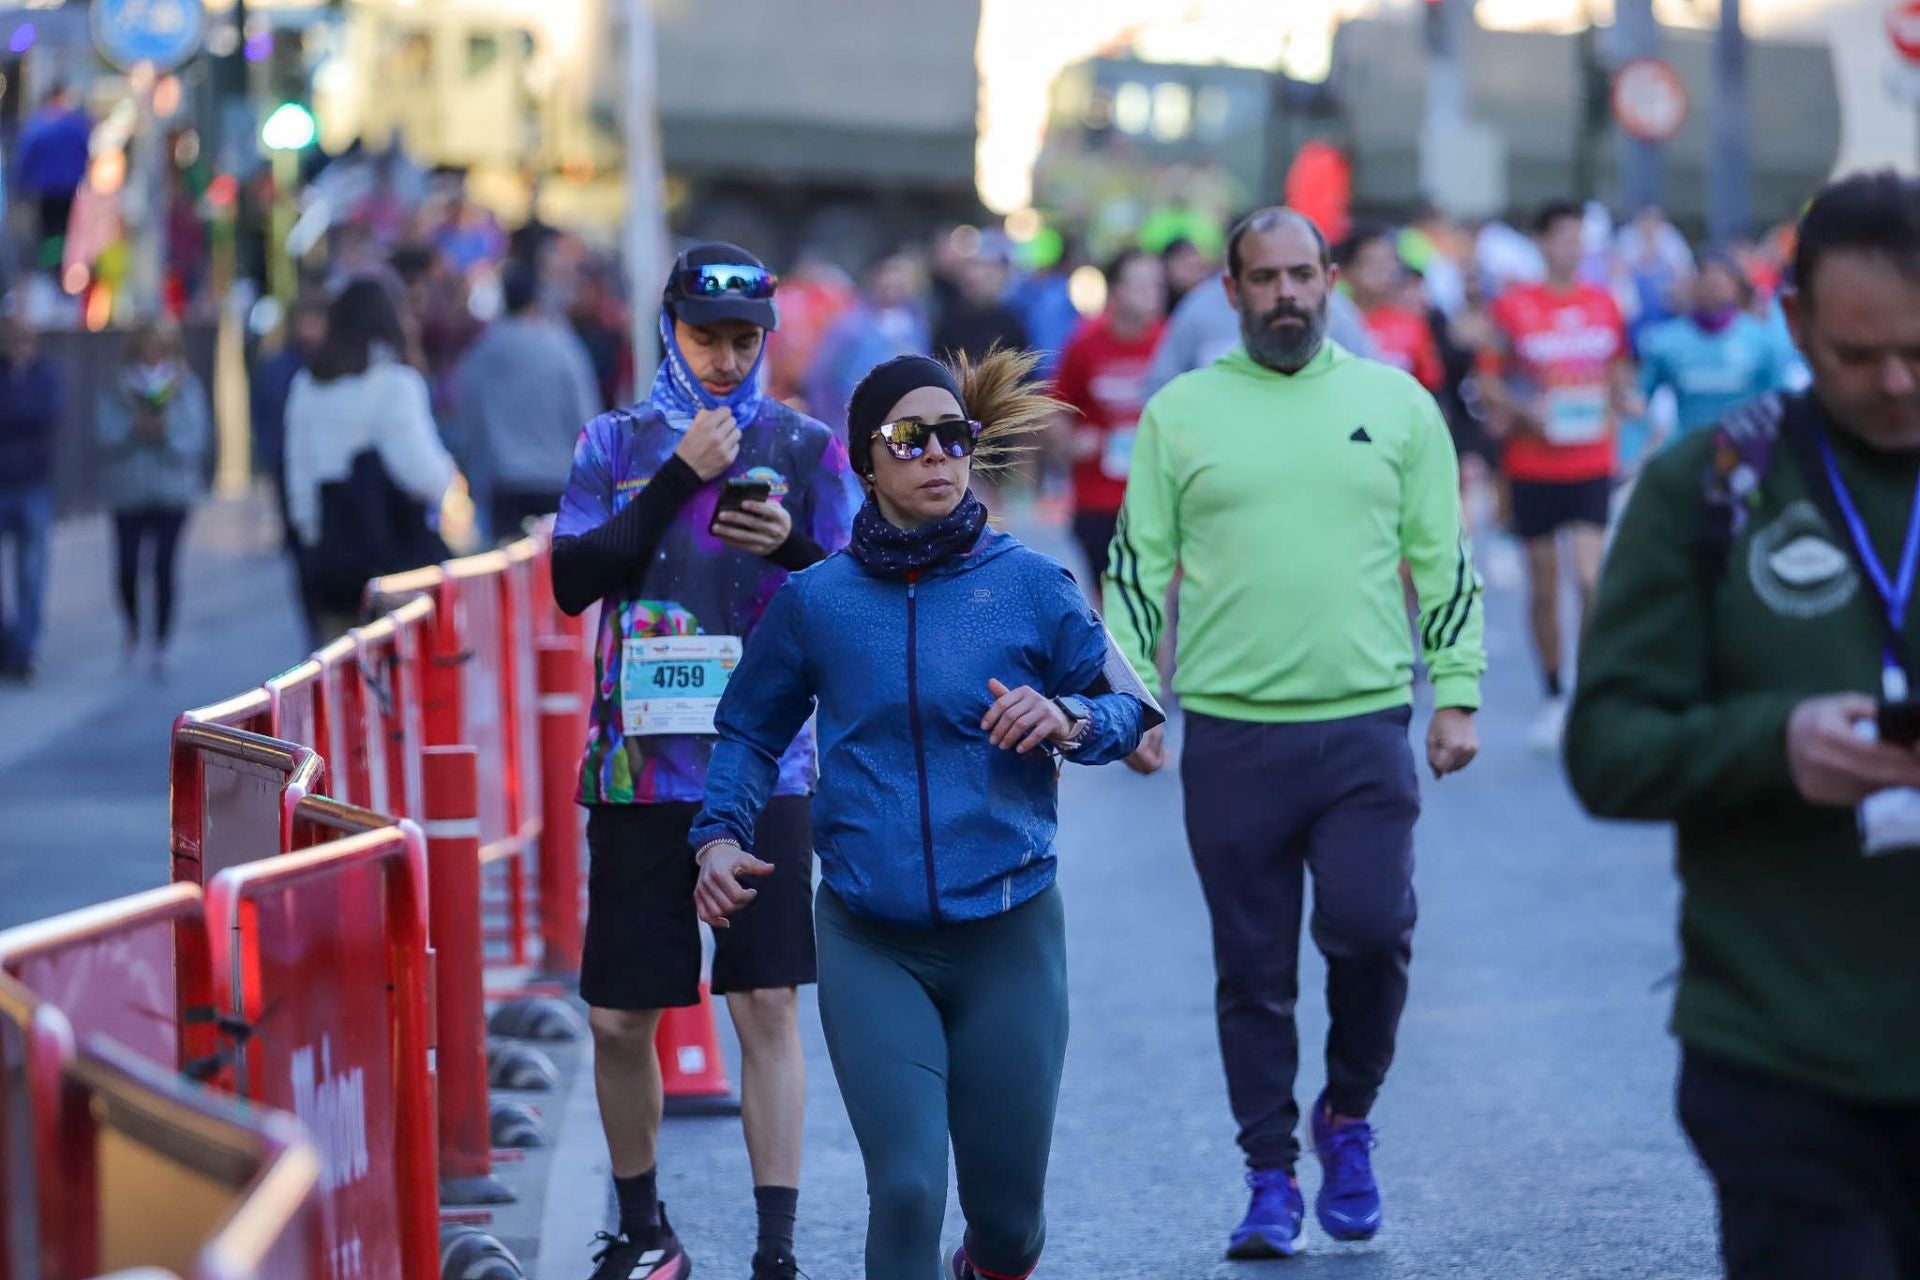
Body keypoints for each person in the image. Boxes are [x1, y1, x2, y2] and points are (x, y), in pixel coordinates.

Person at [691, 349, 1159, 1280]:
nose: (938, 456)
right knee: (906, 1188)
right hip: (872, 935)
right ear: (867, 462)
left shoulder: (1031, 584)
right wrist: (718, 835)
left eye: (955, 438)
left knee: (1010, 1225)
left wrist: (1067, 716)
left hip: (1010, 932)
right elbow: (748, 732)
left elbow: (1134, 713)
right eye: (911, 440)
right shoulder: (817, 602)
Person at [1107, 208, 1484, 1260]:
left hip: (1364, 725)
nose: (1286, 294)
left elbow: (1442, 557)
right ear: (1230, 292)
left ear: (1330, 282)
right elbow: (1139, 570)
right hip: (1230, 735)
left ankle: (1347, 1114)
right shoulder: (1180, 413)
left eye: (1301, 275)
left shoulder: (1396, 404)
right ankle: (1269, 1175)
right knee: (1253, 969)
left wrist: (1455, 692)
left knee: (1371, 931)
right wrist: (1133, 698)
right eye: (1264, 277)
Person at [1565, 171, 1920, 1280]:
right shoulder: (1711, 485)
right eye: (1859, 356)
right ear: (1796, 322)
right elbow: (1607, 744)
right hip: (1781, 1059)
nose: (1897, 381)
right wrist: (1776, 744)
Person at [548, 241, 862, 1280]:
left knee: (766, 1001)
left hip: (768, 764)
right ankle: (645, 1230)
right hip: (636, 765)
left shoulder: (808, 445)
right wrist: (681, 471)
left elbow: (857, 599)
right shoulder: (615, 440)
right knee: (617, 1013)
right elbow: (573, 578)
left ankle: (776, 1249)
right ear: (668, 331)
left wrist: (790, 549)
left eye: (743, 340)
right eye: (704, 337)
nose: (725, 359)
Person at [1480, 199, 1637, 754]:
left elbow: (1620, 371)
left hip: (1593, 459)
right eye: (1560, 237)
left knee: (1592, 580)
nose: (1570, 248)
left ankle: (1588, 688)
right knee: (1544, 585)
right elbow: (1491, 383)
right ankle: (1553, 692)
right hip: (1533, 463)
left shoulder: (1604, 305)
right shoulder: (1513, 307)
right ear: (1541, 243)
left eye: (1579, 238)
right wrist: (1526, 414)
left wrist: (1625, 402)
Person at [284, 277, 460, 642]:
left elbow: (298, 478)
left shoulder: (307, 385)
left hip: (331, 562)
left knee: (338, 676)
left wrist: (314, 538)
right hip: (394, 564)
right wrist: (449, 476)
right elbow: (422, 474)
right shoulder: (394, 384)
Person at [451, 259, 602, 539]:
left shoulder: (481, 353)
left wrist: (474, 477)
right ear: (537, 301)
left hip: (504, 482)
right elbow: (585, 416)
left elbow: (468, 420)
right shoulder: (563, 348)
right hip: (558, 480)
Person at [96, 322, 210, 679]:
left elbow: (196, 435)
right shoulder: (118, 386)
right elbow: (104, 433)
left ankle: (162, 641)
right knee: (128, 567)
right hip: (129, 490)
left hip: (171, 490)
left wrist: (167, 430)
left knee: (163, 566)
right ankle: (132, 628)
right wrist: (134, 427)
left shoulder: (185, 386)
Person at [1052, 247, 1166, 585]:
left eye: (1157, 284)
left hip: (1155, 496)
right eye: (1142, 285)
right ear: (1116, 290)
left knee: (1156, 601)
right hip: (1097, 499)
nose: (1153, 294)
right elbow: (1056, 407)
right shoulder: (1085, 343)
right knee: (1111, 602)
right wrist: (1070, 442)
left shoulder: (1171, 343)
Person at [1636, 250, 1798, 445]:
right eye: (1706, 279)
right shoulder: (1664, 342)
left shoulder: (1762, 340)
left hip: (1747, 454)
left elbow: (1779, 401)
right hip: (1688, 455)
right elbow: (1641, 399)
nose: (1713, 287)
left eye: (1721, 281)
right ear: (1693, 285)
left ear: (1736, 288)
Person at [806, 247, 930, 436]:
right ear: (874, 276)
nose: (894, 280)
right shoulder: (849, 324)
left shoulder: (916, 322)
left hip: (905, 433)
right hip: (854, 432)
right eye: (888, 271)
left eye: (900, 272)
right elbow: (820, 378)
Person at [0, 310, 60, 682]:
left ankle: (26, 648)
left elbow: (45, 414)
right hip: (4, 482)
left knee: (32, 571)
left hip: (34, 483)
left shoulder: (46, 374)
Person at [1337, 223, 1445, 393]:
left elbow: (1430, 382)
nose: (1383, 271)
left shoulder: (1412, 324)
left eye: (1389, 262)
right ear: (1345, 271)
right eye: (1372, 262)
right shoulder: (1333, 322)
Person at [17, 85, 91, 261]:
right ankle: (62, 262)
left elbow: (27, 155)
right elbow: (86, 152)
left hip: (47, 188)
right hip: (70, 187)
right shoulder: (74, 125)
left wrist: (23, 183)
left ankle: (52, 263)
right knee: (67, 229)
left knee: (50, 230)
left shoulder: (39, 125)